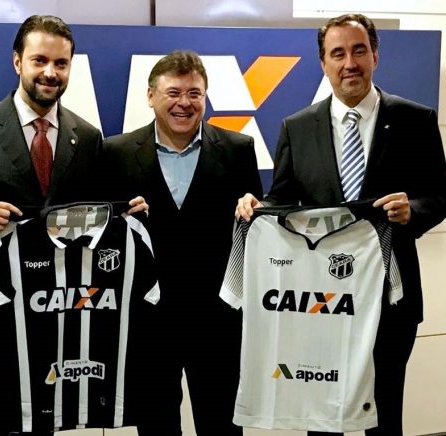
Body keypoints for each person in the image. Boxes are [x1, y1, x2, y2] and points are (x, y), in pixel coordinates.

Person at [236, 13, 446, 435]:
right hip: (320, 300)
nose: (349, 63)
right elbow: (282, 198)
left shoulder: (415, 119)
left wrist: (414, 211)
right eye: (338, 53)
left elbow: (439, 196)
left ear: (375, 56)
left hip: (390, 296)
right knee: (320, 415)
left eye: (358, 51)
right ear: (323, 62)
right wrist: (258, 207)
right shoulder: (297, 127)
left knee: (384, 413)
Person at [0, 14, 146, 435]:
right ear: (17, 61)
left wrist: (124, 211)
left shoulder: (87, 137)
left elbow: (94, 216)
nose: (50, 72)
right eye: (40, 61)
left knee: (47, 421)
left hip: (57, 317)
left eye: (61, 63)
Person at [102, 50, 263, 435]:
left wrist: (256, 208)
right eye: (173, 92)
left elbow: (255, 230)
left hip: (217, 321)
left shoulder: (238, 149)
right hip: (148, 323)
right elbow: (102, 237)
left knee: (222, 426)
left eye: (195, 94)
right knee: (156, 426)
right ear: (150, 96)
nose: (184, 103)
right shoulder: (115, 153)